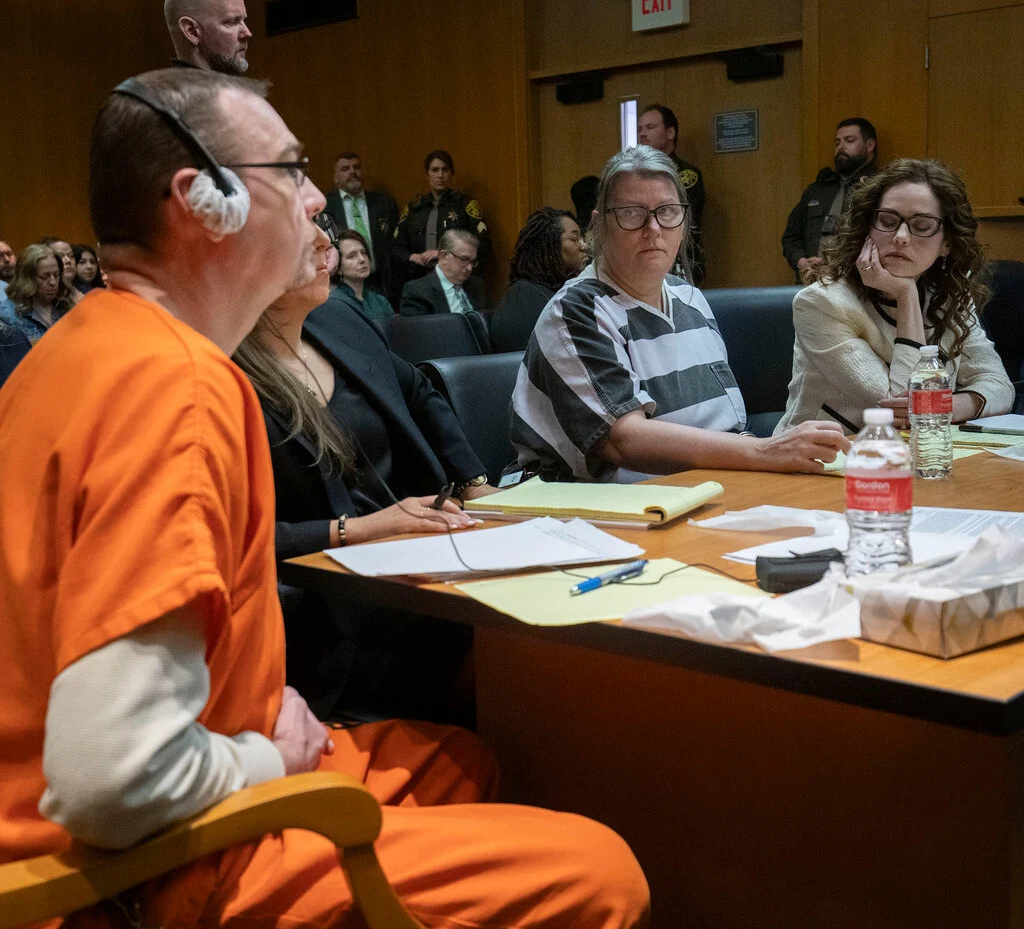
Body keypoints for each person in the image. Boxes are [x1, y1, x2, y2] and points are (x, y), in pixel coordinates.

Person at [0, 66, 649, 929]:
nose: (317, 203)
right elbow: (114, 782)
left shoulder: (83, 347)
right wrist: (265, 754)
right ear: (204, 201)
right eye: (291, 172)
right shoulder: (177, 388)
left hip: (125, 803)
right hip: (124, 871)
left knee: (453, 759)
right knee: (603, 874)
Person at [234, 236, 494, 721]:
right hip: (337, 617)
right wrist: (357, 531)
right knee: (514, 656)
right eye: (302, 223)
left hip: (424, 568)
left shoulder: (337, 318)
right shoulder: (218, 369)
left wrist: (472, 480)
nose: (323, 241)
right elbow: (229, 541)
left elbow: (418, 390)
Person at [509, 145, 847, 483]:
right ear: (599, 225)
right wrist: (766, 452)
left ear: (684, 223)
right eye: (631, 213)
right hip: (579, 508)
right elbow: (622, 440)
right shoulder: (576, 309)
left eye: (668, 211)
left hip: (701, 489)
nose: (653, 228)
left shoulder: (689, 297)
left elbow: (727, 425)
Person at [775, 158, 1014, 434]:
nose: (901, 236)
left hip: (919, 453)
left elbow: (999, 385)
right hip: (826, 460)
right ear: (867, 228)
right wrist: (906, 295)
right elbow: (895, 406)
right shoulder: (821, 303)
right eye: (887, 221)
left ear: (947, 243)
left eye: (921, 226)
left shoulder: (950, 297)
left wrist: (948, 406)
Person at [782, 117, 878, 280]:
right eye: (837, 143)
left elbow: (882, 242)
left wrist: (837, 265)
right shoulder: (817, 190)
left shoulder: (878, 188)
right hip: (810, 283)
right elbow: (791, 236)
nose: (841, 147)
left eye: (849, 140)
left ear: (869, 145)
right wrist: (802, 263)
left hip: (855, 283)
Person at [491, 207, 586, 352]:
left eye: (582, 238)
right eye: (574, 239)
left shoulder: (558, 291)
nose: (584, 246)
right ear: (548, 246)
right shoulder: (524, 298)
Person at [392, 149, 491, 287]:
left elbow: (482, 244)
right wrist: (413, 257)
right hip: (420, 279)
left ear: (451, 174)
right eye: (435, 170)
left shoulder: (465, 206)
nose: (440, 175)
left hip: (457, 281)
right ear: (426, 174)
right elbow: (396, 247)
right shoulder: (414, 209)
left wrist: (445, 255)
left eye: (445, 170)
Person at [637, 103, 706, 283]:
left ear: (670, 133)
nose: (642, 134)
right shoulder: (633, 176)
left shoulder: (686, 175)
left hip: (680, 261)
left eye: (650, 127)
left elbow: (683, 221)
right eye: (640, 129)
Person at [322, 152, 400, 300]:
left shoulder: (385, 203)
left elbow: (395, 244)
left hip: (382, 283)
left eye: (356, 167)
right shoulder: (325, 206)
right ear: (335, 178)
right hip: (342, 285)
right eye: (345, 169)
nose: (352, 171)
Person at [164, 0, 251, 74]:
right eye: (232, 22)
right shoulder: (171, 89)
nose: (247, 33)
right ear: (192, 31)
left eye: (244, 21)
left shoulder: (234, 87)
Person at [0, 242, 75, 343]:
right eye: (44, 277)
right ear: (26, 278)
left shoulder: (66, 305)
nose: (53, 282)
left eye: (56, 275)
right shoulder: (6, 314)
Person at [400, 228, 486, 315]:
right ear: (444, 256)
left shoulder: (477, 285)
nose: (470, 268)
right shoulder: (417, 291)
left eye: (473, 262)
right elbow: (418, 328)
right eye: (464, 259)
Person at [328, 228, 394, 322]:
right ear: (338, 268)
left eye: (363, 253)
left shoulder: (380, 301)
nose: (362, 259)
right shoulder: (333, 303)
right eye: (352, 256)